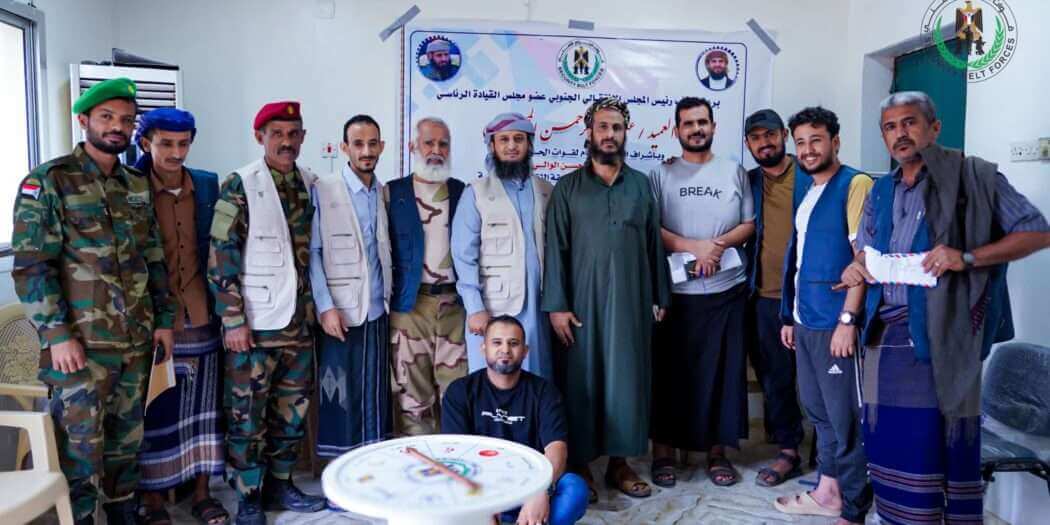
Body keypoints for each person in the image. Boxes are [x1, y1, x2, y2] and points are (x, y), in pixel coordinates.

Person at [840, 91, 1050, 524]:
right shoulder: (881, 190)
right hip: (885, 339)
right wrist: (858, 266)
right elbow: (867, 250)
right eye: (890, 127)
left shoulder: (975, 178)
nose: (900, 133)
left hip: (946, 338)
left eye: (910, 122)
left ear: (934, 128)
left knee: (936, 451)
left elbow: (1036, 231)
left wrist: (966, 257)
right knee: (888, 448)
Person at [11, 77, 175, 525]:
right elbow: (32, 266)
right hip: (79, 348)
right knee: (80, 451)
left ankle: (123, 515)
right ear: (84, 120)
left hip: (135, 342)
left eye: (126, 120)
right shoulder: (49, 181)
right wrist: (58, 335)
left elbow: (152, 256)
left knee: (126, 445)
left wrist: (163, 320)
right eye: (107, 117)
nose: (117, 127)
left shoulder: (135, 184)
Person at [542, 97, 671, 502]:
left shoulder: (640, 185)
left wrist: (660, 295)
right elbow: (555, 249)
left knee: (626, 382)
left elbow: (653, 244)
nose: (610, 134)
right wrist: (557, 306)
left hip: (632, 301)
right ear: (589, 133)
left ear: (625, 132)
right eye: (603, 127)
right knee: (581, 380)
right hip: (581, 304)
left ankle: (620, 463)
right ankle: (580, 463)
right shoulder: (568, 188)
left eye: (616, 127)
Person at [208, 101, 325, 524]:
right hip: (254, 326)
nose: (286, 141)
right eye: (277, 133)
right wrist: (232, 319)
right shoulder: (240, 183)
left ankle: (280, 483)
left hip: (299, 324)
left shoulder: (310, 183)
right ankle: (248, 496)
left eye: (294, 133)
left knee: (291, 412)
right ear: (260, 137)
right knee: (247, 416)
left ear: (303, 137)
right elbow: (221, 254)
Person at [772, 106, 873, 525]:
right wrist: (790, 317)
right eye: (801, 143)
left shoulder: (856, 184)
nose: (808, 150)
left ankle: (854, 508)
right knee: (820, 415)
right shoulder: (809, 190)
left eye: (816, 140)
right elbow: (801, 260)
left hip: (836, 326)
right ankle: (828, 492)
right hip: (807, 322)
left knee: (844, 421)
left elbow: (864, 258)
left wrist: (848, 320)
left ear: (835, 141)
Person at [648, 97, 755, 488]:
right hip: (675, 294)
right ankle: (663, 453)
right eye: (688, 123)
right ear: (676, 130)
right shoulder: (660, 174)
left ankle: (716, 452)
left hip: (726, 293)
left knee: (722, 375)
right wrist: (694, 248)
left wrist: (718, 247)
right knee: (669, 375)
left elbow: (748, 224)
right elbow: (652, 229)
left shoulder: (733, 171)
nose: (696, 129)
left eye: (702, 122)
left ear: (713, 126)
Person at [133, 108, 228, 525]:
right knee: (157, 411)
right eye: (166, 143)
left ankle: (202, 494)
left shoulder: (206, 184)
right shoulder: (129, 186)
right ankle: (153, 501)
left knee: (204, 409)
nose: (176, 152)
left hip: (202, 312)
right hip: (155, 320)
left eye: (183, 143)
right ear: (145, 143)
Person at [442, 315, 589, 525]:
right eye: (497, 342)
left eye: (513, 343)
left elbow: (557, 448)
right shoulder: (460, 391)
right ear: (483, 348)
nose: (505, 350)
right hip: (479, 490)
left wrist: (541, 491)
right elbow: (457, 456)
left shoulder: (544, 392)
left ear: (525, 351)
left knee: (575, 489)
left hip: (529, 490)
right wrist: (484, 505)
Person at [310, 114, 393, 459]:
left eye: (373, 144)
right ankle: (339, 471)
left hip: (377, 310)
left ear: (382, 147)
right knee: (339, 393)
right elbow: (313, 253)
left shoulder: (383, 192)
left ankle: (372, 467)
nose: (366, 151)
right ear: (344, 147)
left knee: (374, 393)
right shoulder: (324, 189)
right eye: (358, 144)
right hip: (340, 312)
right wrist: (325, 306)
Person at [452, 112, 554, 380]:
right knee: (492, 383)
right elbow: (463, 256)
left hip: (538, 309)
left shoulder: (546, 190)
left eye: (519, 139)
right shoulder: (475, 193)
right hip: (493, 308)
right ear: (492, 145)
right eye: (504, 140)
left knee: (535, 381)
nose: (511, 146)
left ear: (529, 144)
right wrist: (475, 308)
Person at [386, 117, 467, 435]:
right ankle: (419, 461)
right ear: (413, 147)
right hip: (410, 308)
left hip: (455, 309)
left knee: (458, 396)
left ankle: (456, 459)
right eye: (429, 143)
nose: (436, 150)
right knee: (413, 399)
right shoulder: (392, 194)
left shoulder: (463, 192)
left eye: (443, 144)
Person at [742, 109, 806, 487]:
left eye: (770, 135)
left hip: (811, 297)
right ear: (748, 144)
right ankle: (789, 450)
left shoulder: (810, 174)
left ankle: (830, 449)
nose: (764, 143)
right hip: (764, 296)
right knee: (776, 377)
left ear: (784, 135)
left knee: (819, 380)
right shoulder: (748, 181)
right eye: (756, 138)